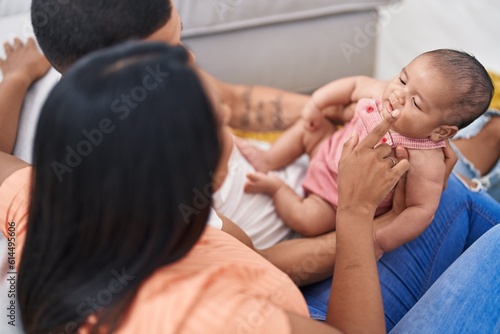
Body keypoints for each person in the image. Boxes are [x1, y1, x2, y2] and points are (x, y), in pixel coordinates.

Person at [1, 0, 498, 330]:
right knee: (473, 225)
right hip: (324, 298)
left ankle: (476, 173)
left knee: (453, 202)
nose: (225, 117)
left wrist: (17, 79)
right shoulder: (224, 313)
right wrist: (359, 217)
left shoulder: (41, 195)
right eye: (209, 128)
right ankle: (480, 167)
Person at [236, 49, 494, 258]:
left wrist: (380, 241)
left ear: (440, 132)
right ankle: (269, 159)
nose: (399, 94)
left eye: (416, 102)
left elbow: (420, 209)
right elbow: (354, 86)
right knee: (308, 129)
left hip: (334, 198)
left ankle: (276, 189)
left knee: (308, 221)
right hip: (326, 149)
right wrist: (316, 103)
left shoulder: (424, 160)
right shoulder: (383, 92)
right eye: (403, 79)